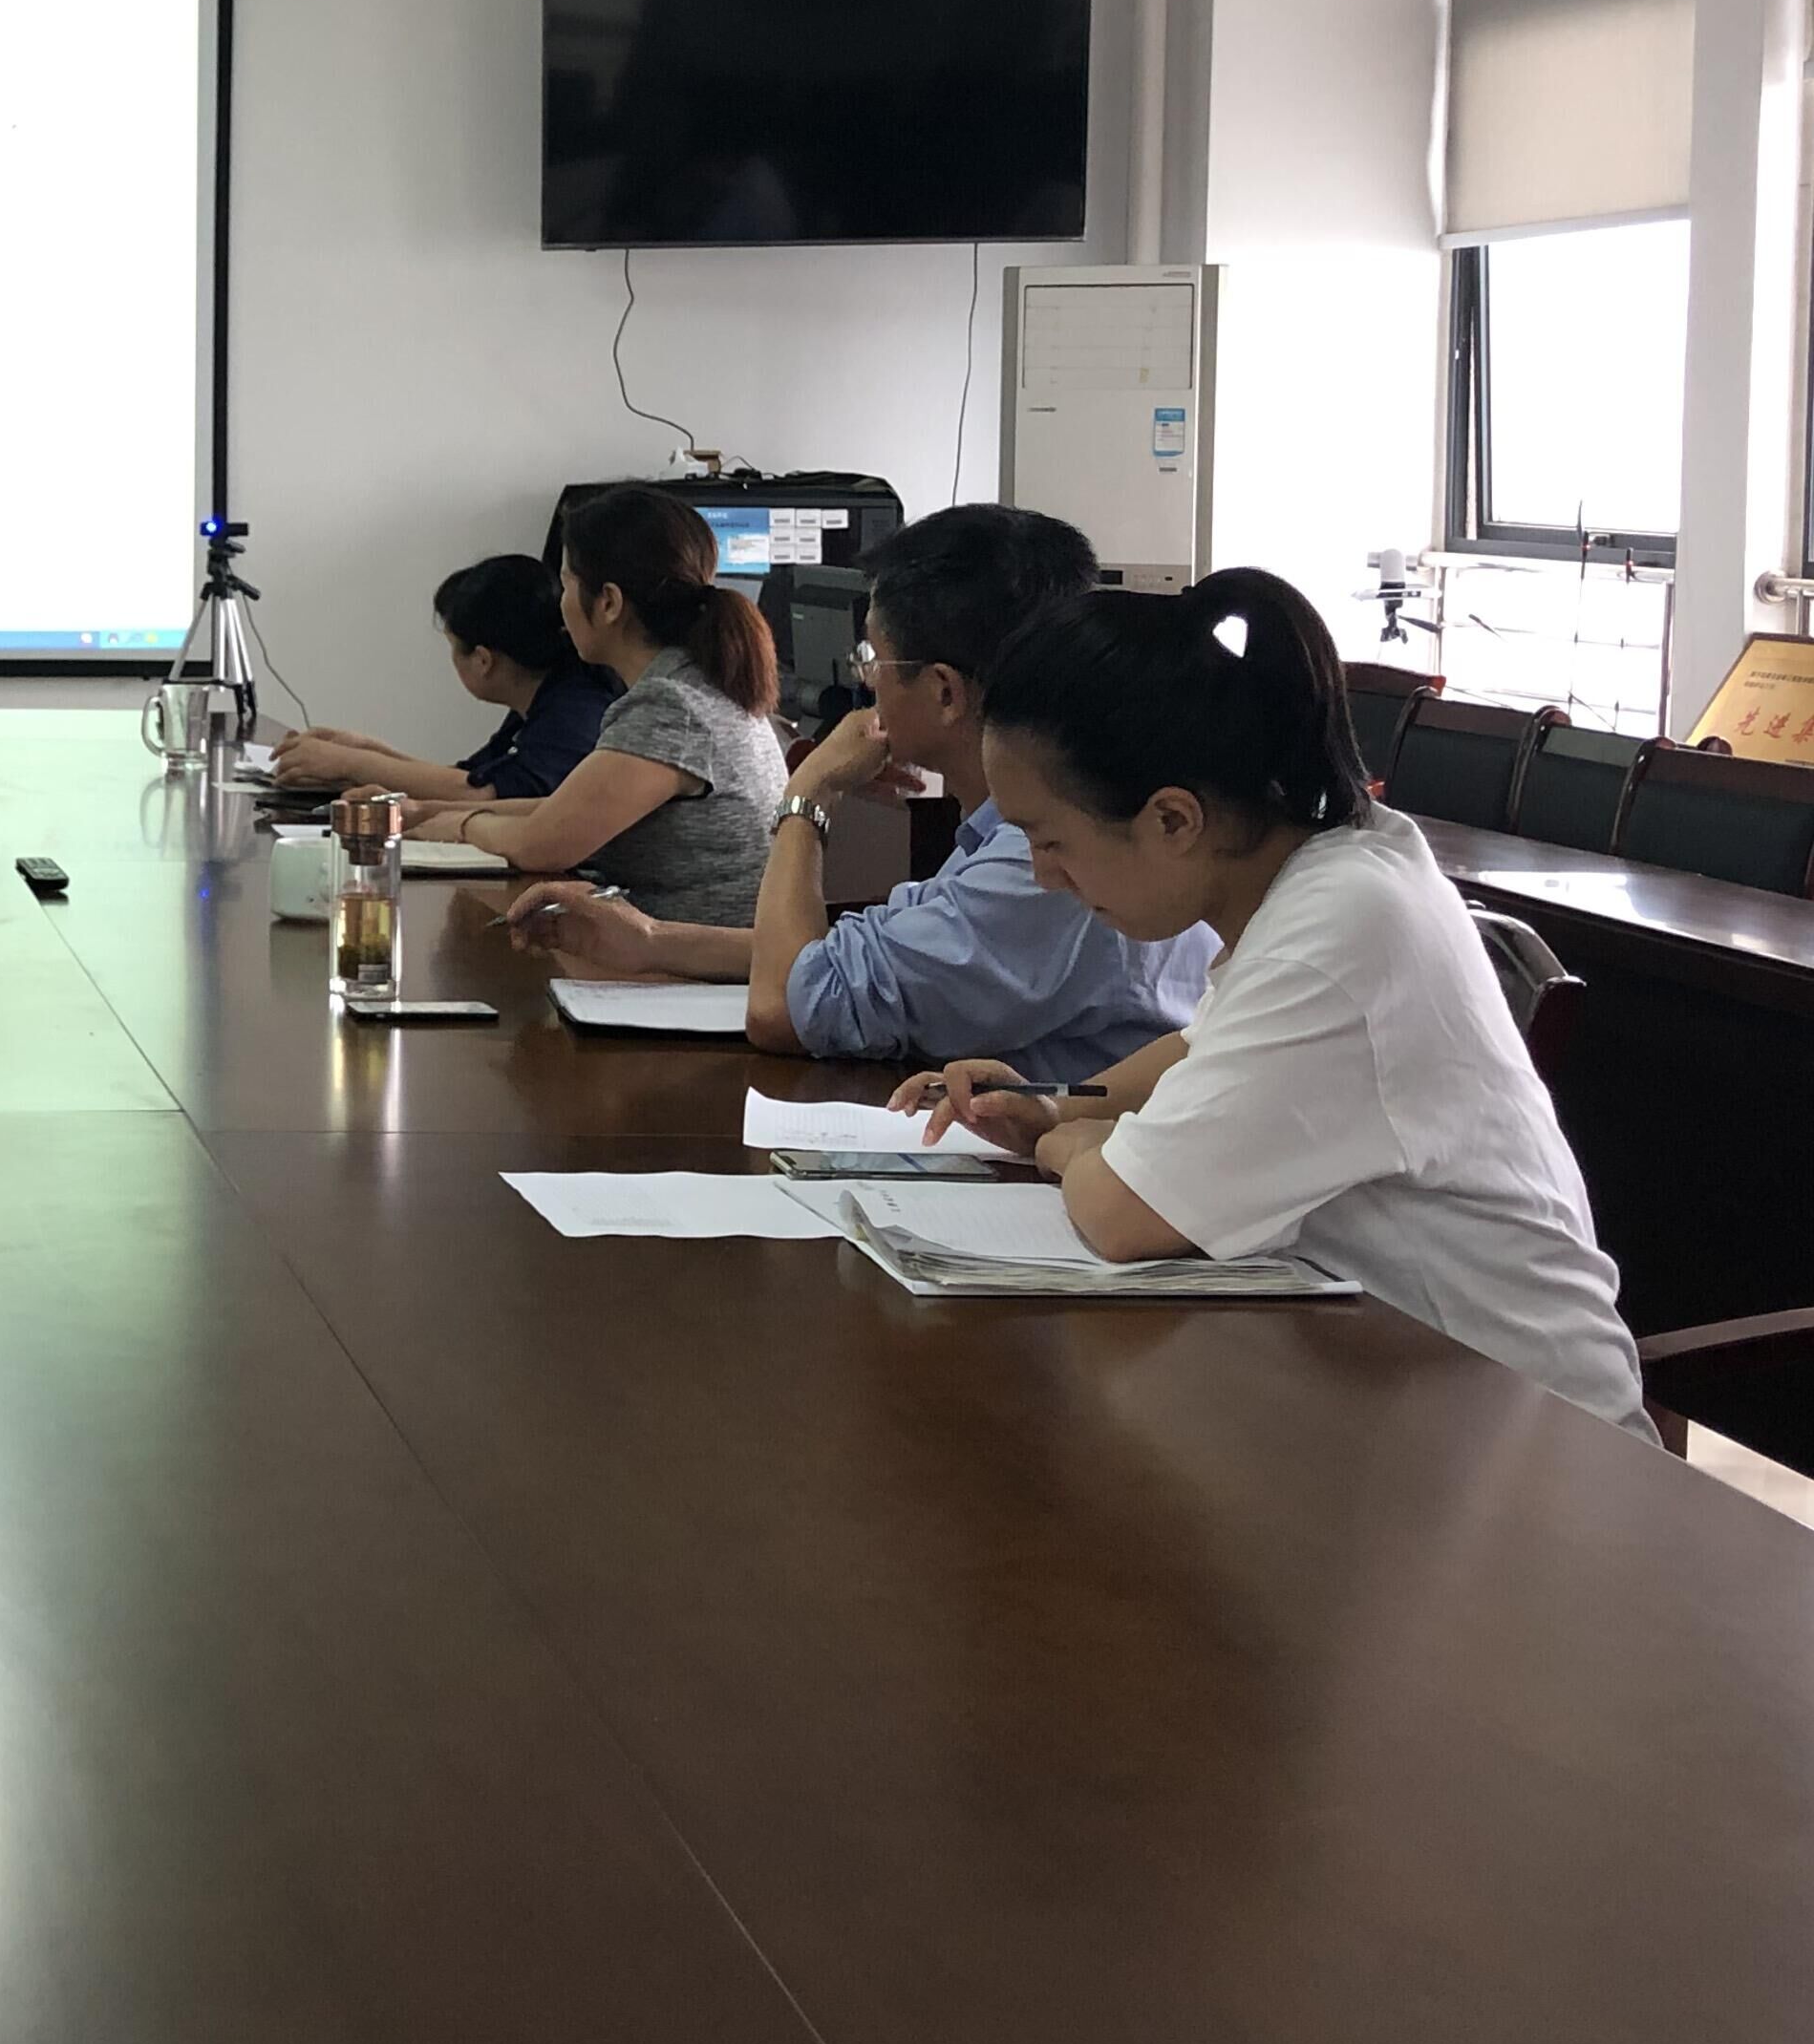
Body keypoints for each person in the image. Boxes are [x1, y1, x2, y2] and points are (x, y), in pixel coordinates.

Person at [903, 569, 1646, 1432]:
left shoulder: (1341, 927)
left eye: (1050, 840)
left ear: (1173, 820)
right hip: (1397, 1391)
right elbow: (1206, 1046)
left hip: (1537, 1440)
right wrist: (1055, 1104)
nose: (1043, 876)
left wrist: (1067, 1144)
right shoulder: (1333, 864)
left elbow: (1121, 1213)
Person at [512, 505, 1216, 1081]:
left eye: (873, 658)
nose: (865, 679)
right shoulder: (1008, 833)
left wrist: (807, 795)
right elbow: (848, 963)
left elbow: (784, 1011)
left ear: (944, 692)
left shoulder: (1042, 865)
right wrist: (651, 942)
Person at [427, 484, 786, 925]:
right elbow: (560, 810)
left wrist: (461, 827)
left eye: (566, 585)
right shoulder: (693, 684)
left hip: (689, 963)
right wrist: (436, 813)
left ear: (609, 603)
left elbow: (541, 844)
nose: (560, 608)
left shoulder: (672, 707)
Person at [272, 555, 615, 804]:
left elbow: (485, 794)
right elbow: (466, 778)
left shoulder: (576, 708)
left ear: (483, 660)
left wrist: (351, 763)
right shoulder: (541, 699)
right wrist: (363, 749)